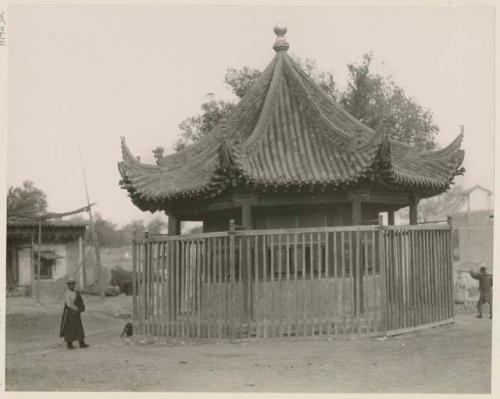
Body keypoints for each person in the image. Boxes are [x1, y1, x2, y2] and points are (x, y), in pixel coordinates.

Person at [59, 277, 89, 349]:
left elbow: (79, 301)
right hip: (69, 312)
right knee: (69, 328)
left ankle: (81, 343)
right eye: (71, 284)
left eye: (73, 284)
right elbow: (69, 304)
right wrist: (76, 308)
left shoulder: (76, 292)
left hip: (76, 313)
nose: (72, 285)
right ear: (68, 285)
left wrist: (80, 308)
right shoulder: (67, 293)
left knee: (79, 327)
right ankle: (69, 344)